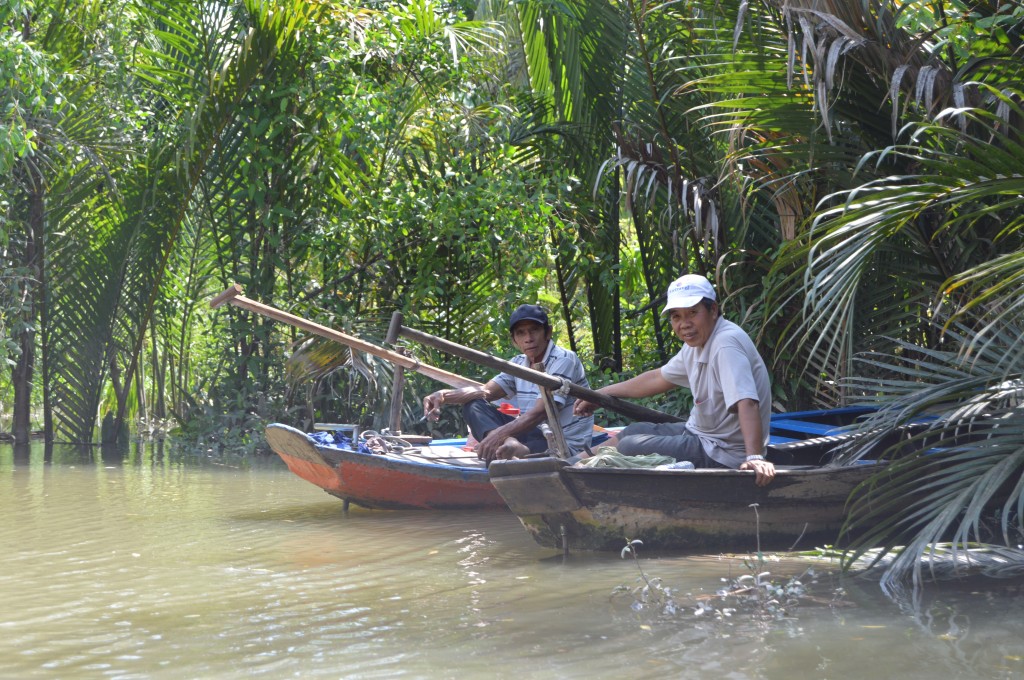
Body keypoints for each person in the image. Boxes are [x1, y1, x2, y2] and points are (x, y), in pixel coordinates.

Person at [573, 274, 776, 486]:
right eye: (676, 317)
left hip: (723, 453)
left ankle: (571, 473)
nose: (684, 324)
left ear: (713, 310)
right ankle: (564, 465)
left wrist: (754, 458)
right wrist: (602, 394)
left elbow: (747, 401)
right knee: (633, 431)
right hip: (698, 434)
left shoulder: (725, 344)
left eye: (693, 313)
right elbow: (658, 377)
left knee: (629, 446)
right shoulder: (696, 344)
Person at [423, 304, 594, 464]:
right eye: (521, 333)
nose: (528, 339)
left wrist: (499, 434)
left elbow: (540, 414)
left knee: (531, 438)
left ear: (548, 332)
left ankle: (517, 449)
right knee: (474, 405)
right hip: (532, 432)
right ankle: (511, 445)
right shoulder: (519, 362)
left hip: (562, 441)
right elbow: (485, 391)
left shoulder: (564, 359)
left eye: (534, 330)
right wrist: (444, 395)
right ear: (514, 340)